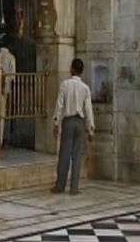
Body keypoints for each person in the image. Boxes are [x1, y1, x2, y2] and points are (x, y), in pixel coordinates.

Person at [52, 58, 94, 195]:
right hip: (80, 123)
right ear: (81, 71)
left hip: (68, 121)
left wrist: (56, 123)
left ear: (72, 69)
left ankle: (60, 186)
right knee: (77, 156)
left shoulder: (65, 84)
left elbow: (59, 105)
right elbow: (88, 109)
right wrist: (90, 128)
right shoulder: (85, 88)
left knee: (64, 154)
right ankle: (74, 188)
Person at [0, 34, 17, 148]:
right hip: (6, 90)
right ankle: (1, 140)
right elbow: (13, 76)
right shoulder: (11, 57)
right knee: (3, 115)